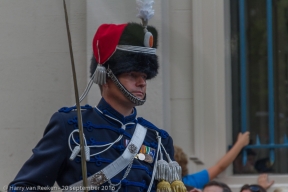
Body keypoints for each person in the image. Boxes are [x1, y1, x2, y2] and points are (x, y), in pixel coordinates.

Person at [8, 2, 181, 192]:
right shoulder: (72, 125)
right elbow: (23, 187)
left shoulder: (156, 139)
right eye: (132, 75)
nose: (142, 83)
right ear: (106, 77)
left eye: (145, 76)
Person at [174, 131, 250, 189]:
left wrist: (240, 143)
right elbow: (220, 167)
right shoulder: (190, 182)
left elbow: (220, 167)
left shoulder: (189, 182)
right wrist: (240, 143)